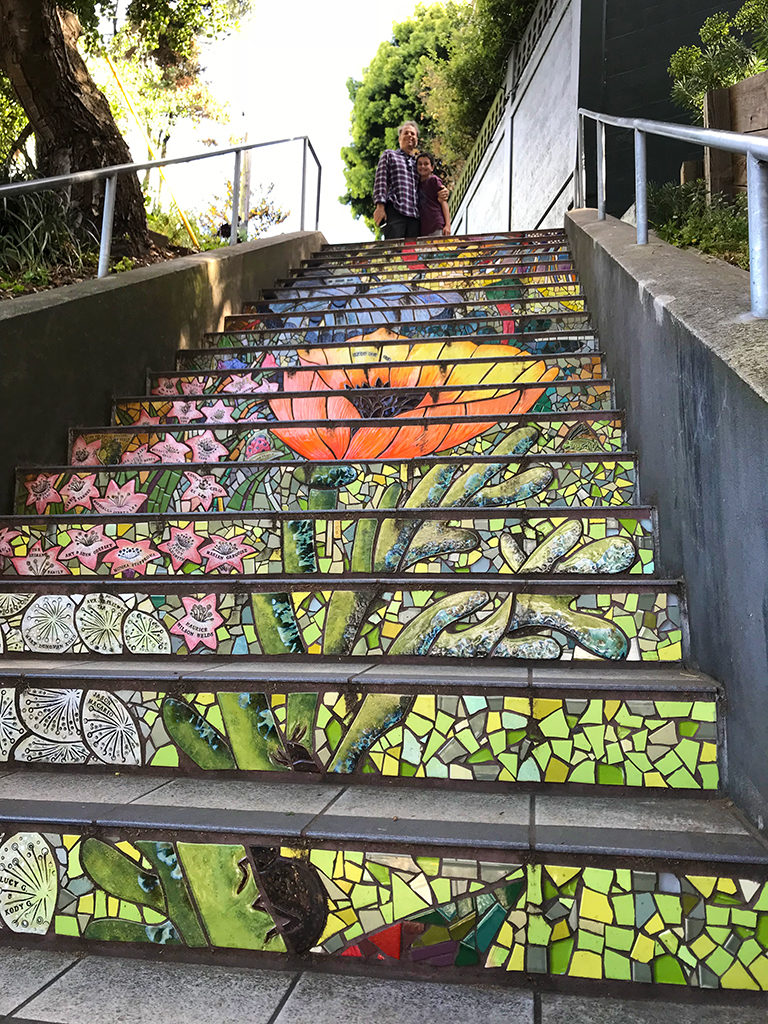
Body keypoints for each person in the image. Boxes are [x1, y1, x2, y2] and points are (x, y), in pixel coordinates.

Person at [372, 121, 449, 239]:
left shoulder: (418, 164)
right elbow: (381, 180)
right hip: (396, 210)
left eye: (413, 134)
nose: (410, 136)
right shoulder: (390, 155)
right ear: (399, 138)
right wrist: (380, 206)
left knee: (411, 253)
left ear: (417, 139)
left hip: (416, 218)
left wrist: (443, 190)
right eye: (406, 133)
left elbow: (429, 183)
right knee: (395, 250)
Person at [416, 152, 451, 236]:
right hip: (423, 229)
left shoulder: (434, 180)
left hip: (436, 224)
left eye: (426, 164)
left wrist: (447, 225)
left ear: (432, 167)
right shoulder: (416, 184)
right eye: (420, 164)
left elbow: (443, 202)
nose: (423, 166)